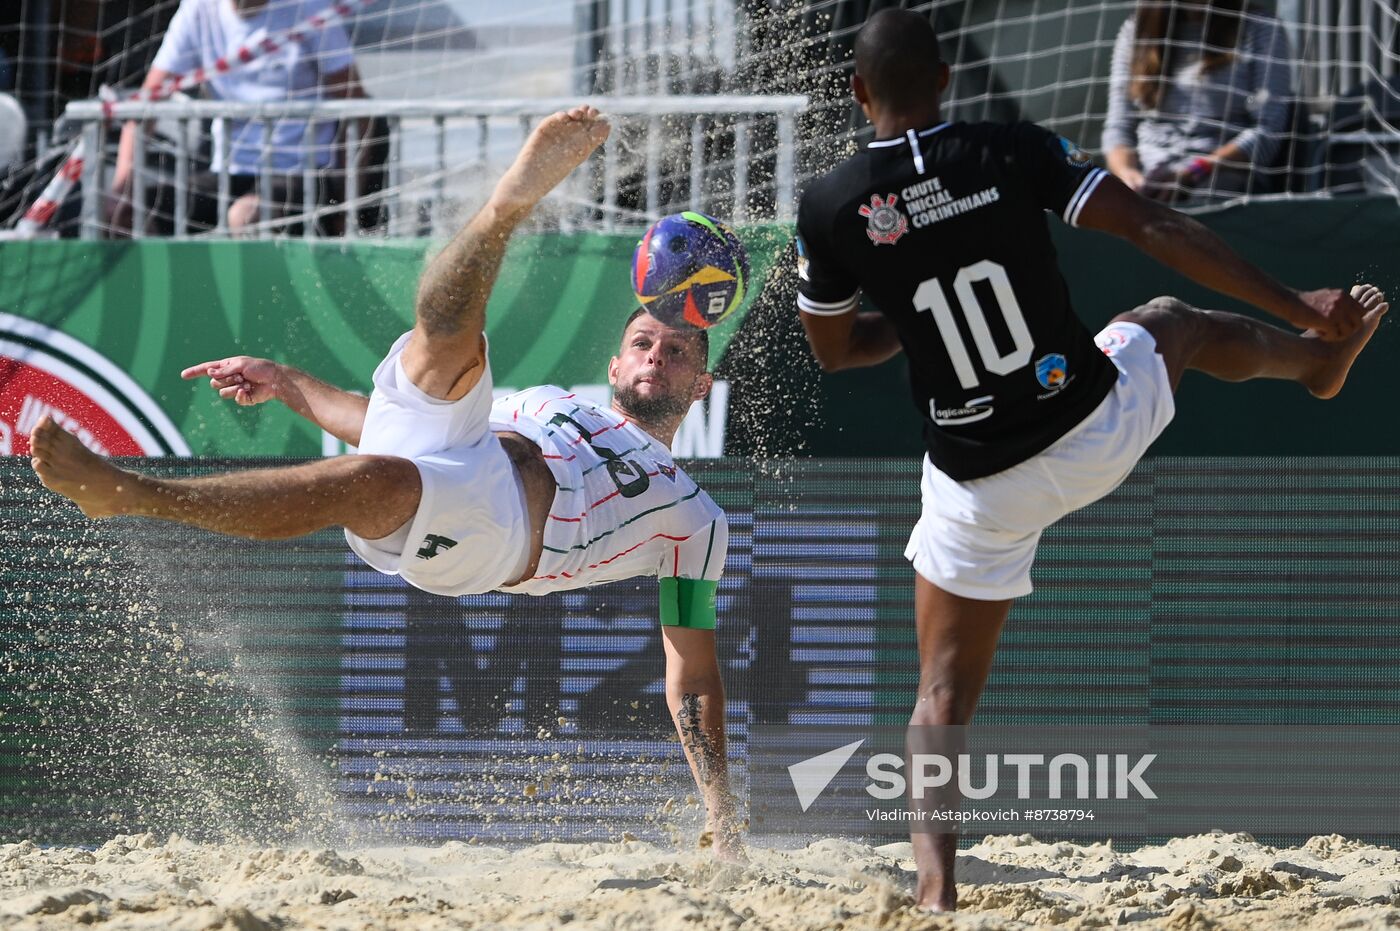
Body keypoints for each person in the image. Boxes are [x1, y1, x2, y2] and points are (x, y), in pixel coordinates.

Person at [33, 106, 744, 860]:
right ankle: (509, 203)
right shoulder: (551, 399)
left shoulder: (697, 522)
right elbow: (387, 420)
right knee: (446, 334)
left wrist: (722, 818)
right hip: (478, 448)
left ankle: (137, 494)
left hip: (504, 531)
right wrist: (287, 382)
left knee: (377, 477)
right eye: (640, 341)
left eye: (674, 349)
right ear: (613, 366)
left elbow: (691, 673)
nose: (653, 356)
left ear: (701, 384)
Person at [795, 8, 1383, 912]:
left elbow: (838, 351)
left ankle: (936, 887)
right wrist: (1300, 303)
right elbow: (1151, 225)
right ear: (948, 79)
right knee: (1175, 321)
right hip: (1091, 427)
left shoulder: (831, 207)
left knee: (940, 697)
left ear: (857, 91)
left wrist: (917, 327)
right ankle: (1314, 363)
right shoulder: (1006, 151)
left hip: (979, 485)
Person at [110, 0, 370, 235]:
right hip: (228, 172)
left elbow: (359, 112)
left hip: (303, 173)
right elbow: (145, 108)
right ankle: (174, 289)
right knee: (128, 214)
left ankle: (267, 289)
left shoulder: (309, 7)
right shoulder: (198, 10)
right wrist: (121, 189)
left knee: (245, 216)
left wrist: (347, 200)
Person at [1102, 0, 1294, 203]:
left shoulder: (1259, 27)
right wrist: (1128, 175)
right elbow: (1118, 127)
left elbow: (1269, 128)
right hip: (1151, 176)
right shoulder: (1135, 30)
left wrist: (1194, 171)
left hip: (1221, 179)